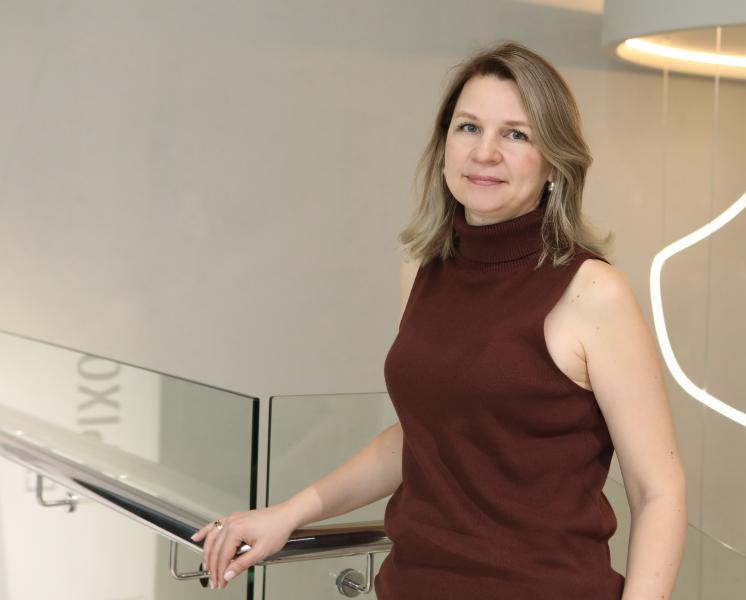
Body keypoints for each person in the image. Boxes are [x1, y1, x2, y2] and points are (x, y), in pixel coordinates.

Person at [192, 40, 687, 599]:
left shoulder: (593, 291)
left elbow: (658, 490)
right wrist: (289, 513)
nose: (485, 153)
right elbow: (424, 435)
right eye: (468, 127)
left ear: (554, 161)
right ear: (444, 146)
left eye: (516, 135)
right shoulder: (423, 270)